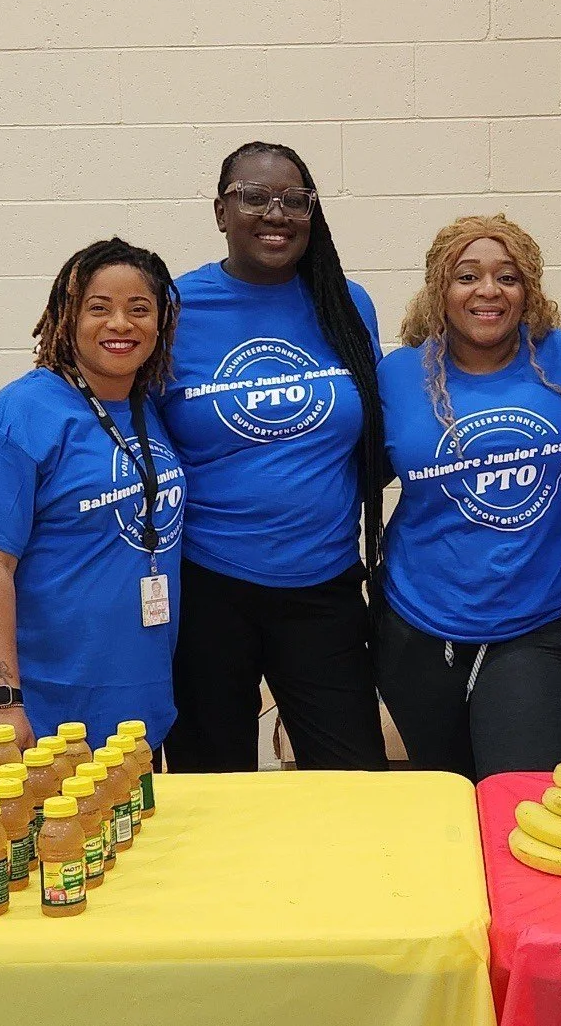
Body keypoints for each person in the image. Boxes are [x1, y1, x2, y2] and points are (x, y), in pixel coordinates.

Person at [157, 142, 391, 772]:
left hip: (324, 586)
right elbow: (122, 420)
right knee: (213, 787)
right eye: (254, 198)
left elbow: (378, 428)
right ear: (220, 212)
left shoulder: (347, 304)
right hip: (208, 587)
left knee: (353, 783)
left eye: (294, 200)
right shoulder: (174, 308)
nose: (276, 214)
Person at [374, 216, 561, 780]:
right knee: (445, 798)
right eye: (467, 276)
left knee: (516, 800)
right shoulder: (398, 375)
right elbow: (350, 478)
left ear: (528, 290)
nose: (488, 290)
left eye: (507, 277)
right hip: (416, 625)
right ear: (440, 288)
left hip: (535, 623)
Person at [0, 239, 186, 751]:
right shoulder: (18, 417)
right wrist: (3, 703)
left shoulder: (148, 404)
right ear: (67, 317)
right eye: (98, 308)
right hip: (46, 709)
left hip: (138, 700)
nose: (120, 324)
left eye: (139, 309)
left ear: (161, 323)